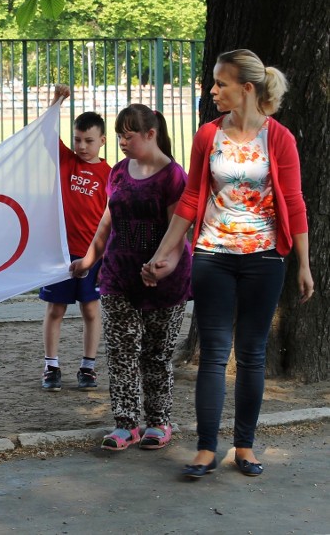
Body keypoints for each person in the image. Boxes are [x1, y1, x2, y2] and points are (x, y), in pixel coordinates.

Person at [141, 49, 314, 479]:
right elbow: (192, 198)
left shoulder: (279, 138)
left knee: (253, 355)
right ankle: (205, 449)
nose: (213, 90)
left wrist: (304, 264)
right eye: (213, 83)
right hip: (213, 255)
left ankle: (245, 445)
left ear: (247, 89)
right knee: (215, 353)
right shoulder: (207, 136)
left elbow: (293, 201)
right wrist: (165, 252)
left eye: (221, 83)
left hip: (264, 258)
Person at [70, 104, 191, 451]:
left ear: (150, 134)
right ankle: (125, 424)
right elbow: (107, 222)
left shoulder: (173, 177)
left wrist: (160, 265)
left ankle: (158, 422)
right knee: (122, 351)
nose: (121, 141)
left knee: (155, 354)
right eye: (120, 135)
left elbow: (178, 232)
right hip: (118, 278)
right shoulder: (119, 172)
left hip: (164, 283)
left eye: (128, 135)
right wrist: (89, 259)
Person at [39, 86, 111, 391]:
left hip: (92, 254)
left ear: (102, 141)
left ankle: (88, 366)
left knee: (91, 310)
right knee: (55, 309)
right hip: (60, 252)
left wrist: (98, 254)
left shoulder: (110, 173)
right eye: (78, 140)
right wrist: (56, 102)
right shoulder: (67, 162)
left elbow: (111, 217)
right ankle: (51, 365)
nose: (82, 146)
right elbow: (44, 131)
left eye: (89, 141)